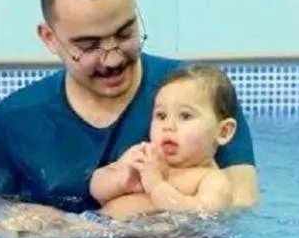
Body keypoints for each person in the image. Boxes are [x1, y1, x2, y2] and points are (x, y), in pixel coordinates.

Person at [0, 0, 258, 231]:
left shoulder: (196, 94)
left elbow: (239, 209)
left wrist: (123, 228)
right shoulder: (13, 122)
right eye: (89, 45)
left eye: (125, 34)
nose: (112, 59)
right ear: (49, 38)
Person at [89, 64, 240, 220]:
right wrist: (122, 179)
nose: (168, 126)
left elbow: (200, 217)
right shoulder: (145, 156)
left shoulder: (212, 181)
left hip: (144, 232)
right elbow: (96, 190)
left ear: (223, 132)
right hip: (101, 223)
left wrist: (156, 186)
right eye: (161, 116)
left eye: (185, 116)